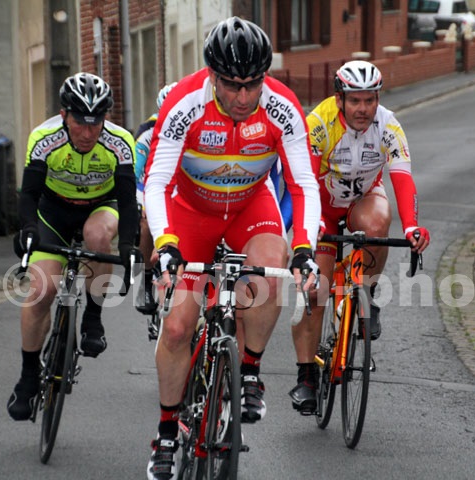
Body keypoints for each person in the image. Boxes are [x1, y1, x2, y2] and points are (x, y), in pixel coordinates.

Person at [143, 17, 321, 480]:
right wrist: (165, 244)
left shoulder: (282, 106)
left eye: (253, 84)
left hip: (249, 206)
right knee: (178, 326)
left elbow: (304, 183)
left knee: (271, 266)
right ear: (212, 76)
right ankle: (167, 432)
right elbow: (157, 181)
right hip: (191, 212)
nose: (243, 97)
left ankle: (249, 372)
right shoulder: (185, 104)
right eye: (231, 85)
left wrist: (305, 247)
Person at [288, 60, 431, 415]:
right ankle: (307, 377)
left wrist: (412, 226)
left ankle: (366, 293)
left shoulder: (388, 125)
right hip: (322, 207)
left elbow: (402, 177)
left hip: (362, 200)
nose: (363, 108)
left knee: (378, 226)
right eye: (355, 100)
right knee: (316, 291)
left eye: (370, 100)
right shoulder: (318, 124)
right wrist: (309, 225)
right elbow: (303, 181)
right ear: (339, 99)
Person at [6, 72, 138, 421]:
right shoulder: (44, 137)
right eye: (79, 122)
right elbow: (29, 194)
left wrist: (127, 245)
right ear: (64, 115)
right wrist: (28, 230)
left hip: (101, 206)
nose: (88, 133)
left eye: (96, 123)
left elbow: (128, 204)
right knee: (42, 289)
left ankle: (93, 318)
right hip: (53, 211)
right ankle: (28, 375)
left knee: (97, 237)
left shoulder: (120, 142)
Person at [134, 82, 178, 316]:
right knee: (146, 223)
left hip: (179, 188)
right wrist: (143, 205)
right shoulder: (148, 132)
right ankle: (145, 278)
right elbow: (135, 173)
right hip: (148, 185)